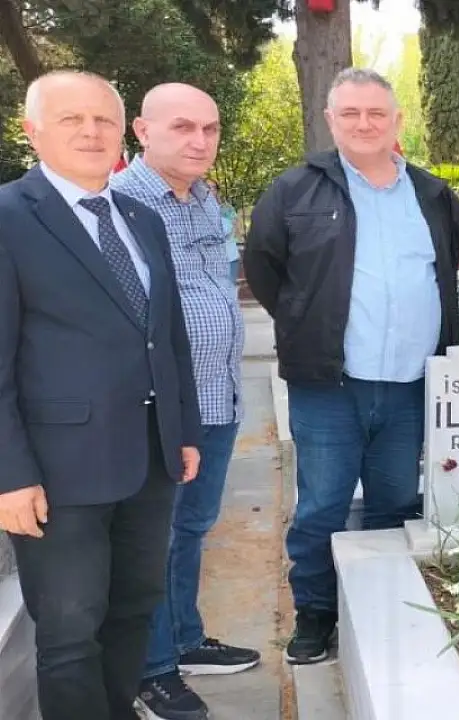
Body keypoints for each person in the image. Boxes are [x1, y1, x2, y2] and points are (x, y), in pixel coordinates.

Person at [243, 67, 459, 665]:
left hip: (411, 385)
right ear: (330, 120)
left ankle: (382, 605)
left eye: (376, 113)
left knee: (395, 502)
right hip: (329, 386)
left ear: (396, 120)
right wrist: (306, 324)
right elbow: (265, 269)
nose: (364, 124)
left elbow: (443, 271)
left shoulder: (434, 196)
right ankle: (316, 614)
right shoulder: (294, 190)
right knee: (322, 505)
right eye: (350, 113)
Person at [0, 70, 201, 720]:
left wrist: (184, 429)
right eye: (72, 119)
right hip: (58, 474)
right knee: (69, 635)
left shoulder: (140, 217)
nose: (91, 132)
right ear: (32, 132)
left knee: (133, 609)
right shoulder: (8, 217)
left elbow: (167, 336)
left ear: (123, 132)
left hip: (148, 461)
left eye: (104, 120)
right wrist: (9, 476)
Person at [111, 83, 258, 720]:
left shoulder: (202, 199)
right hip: (159, 409)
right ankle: (151, 671)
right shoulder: (117, 202)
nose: (200, 141)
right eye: (182, 127)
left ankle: (184, 639)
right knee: (154, 538)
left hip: (216, 397)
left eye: (210, 128)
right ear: (143, 132)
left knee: (192, 529)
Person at [207, 178, 241, 284]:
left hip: (229, 257)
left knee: (229, 287)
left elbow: (234, 229)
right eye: (207, 187)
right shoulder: (196, 210)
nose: (210, 190)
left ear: (217, 191)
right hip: (210, 261)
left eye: (213, 188)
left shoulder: (226, 209)